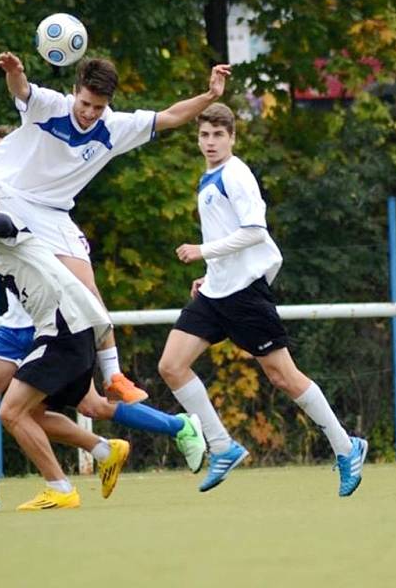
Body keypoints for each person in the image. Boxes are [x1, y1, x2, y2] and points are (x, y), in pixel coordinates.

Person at [0, 53, 231, 405]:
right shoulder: (50, 105)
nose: (89, 112)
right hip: (12, 192)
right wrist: (15, 73)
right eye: (85, 103)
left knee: (88, 290)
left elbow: (169, 117)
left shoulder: (114, 126)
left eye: (98, 106)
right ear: (74, 91)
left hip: (55, 214)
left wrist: (210, 95)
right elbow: (22, 90)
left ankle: (114, 376)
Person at [0, 129, 206, 513]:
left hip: (61, 328)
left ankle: (63, 486)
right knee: (34, 409)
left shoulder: (13, 213)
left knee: (15, 410)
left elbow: (1, 226)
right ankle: (103, 450)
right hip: (58, 328)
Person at [157, 103, 367, 496]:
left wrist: (203, 252)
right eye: (204, 135)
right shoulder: (209, 177)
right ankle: (223, 446)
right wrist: (211, 273)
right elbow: (234, 239)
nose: (211, 142)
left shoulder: (235, 174)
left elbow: (256, 231)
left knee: (282, 377)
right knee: (171, 365)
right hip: (217, 292)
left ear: (233, 138)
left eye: (219, 135)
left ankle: (346, 446)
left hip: (245, 296)